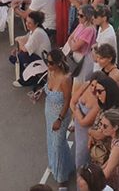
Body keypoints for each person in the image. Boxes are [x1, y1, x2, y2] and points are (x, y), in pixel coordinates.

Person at [43, 49, 75, 191]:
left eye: (50, 62)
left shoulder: (66, 79)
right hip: (49, 112)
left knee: (58, 145)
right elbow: (48, 89)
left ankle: (62, 179)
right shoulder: (50, 72)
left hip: (60, 116)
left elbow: (68, 101)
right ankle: (67, 165)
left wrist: (60, 119)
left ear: (57, 63)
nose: (47, 65)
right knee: (52, 141)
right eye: (47, 61)